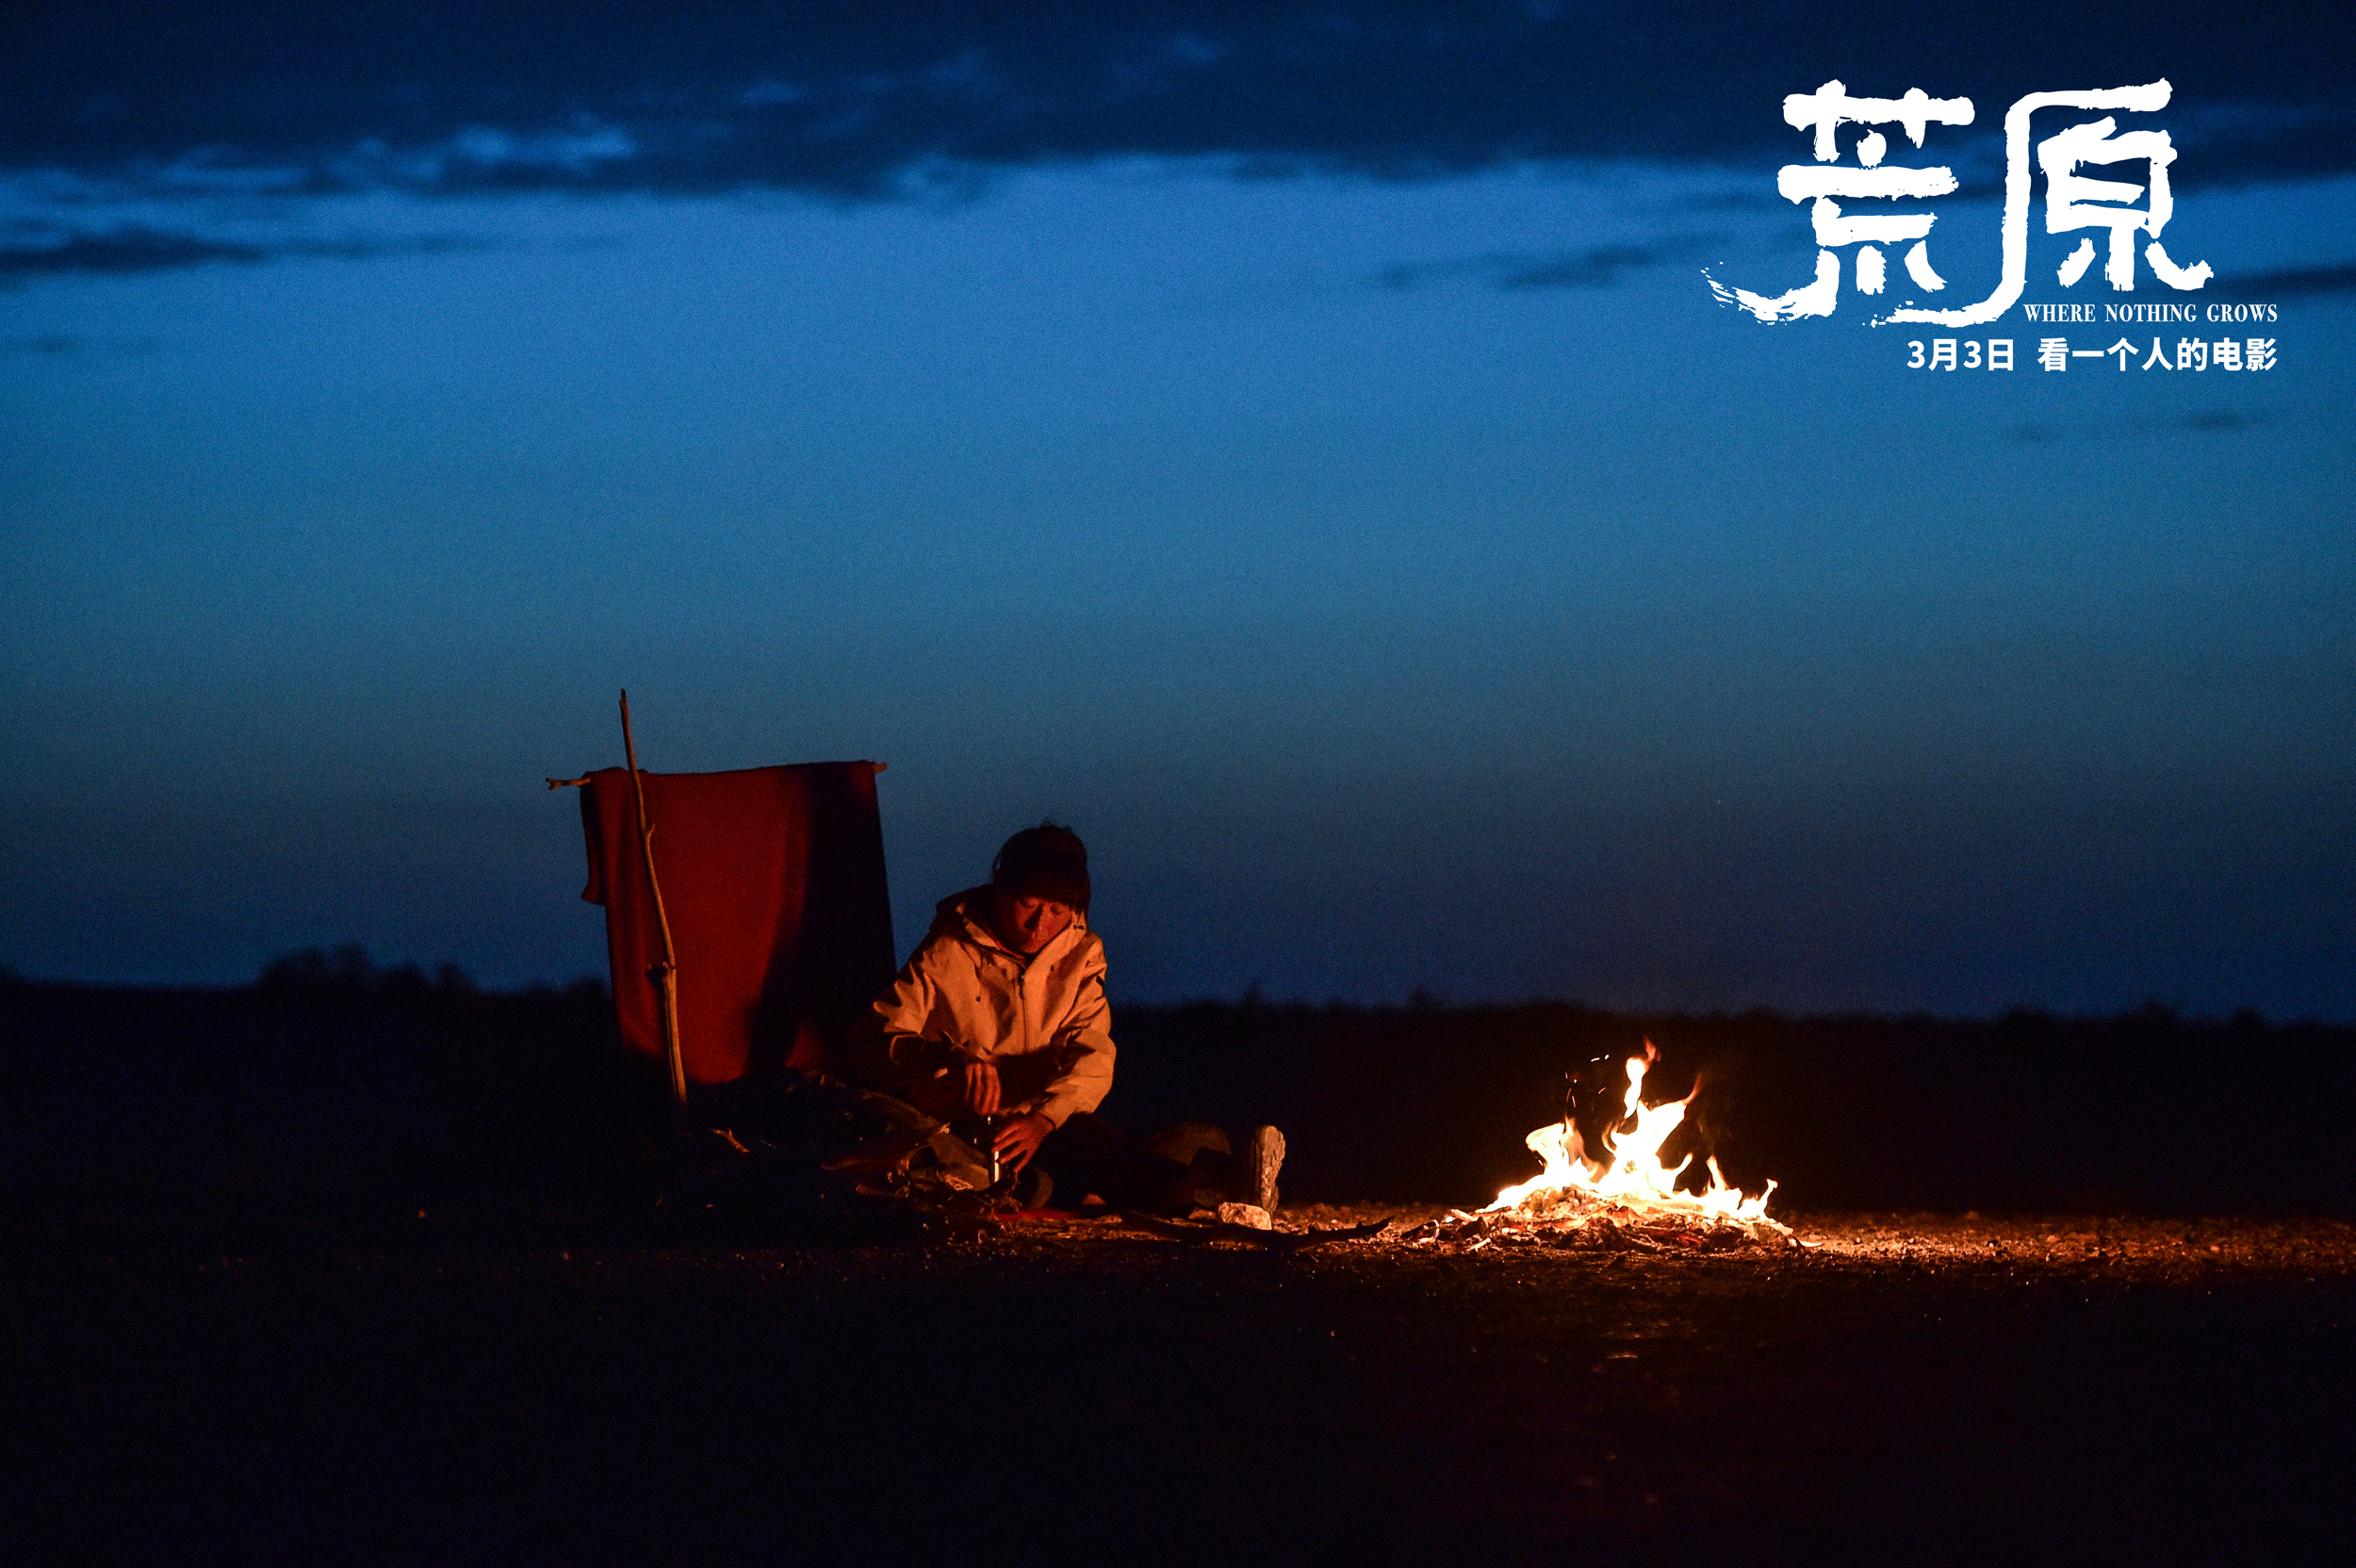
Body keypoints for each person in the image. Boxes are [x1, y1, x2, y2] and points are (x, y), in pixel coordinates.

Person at [854, 822, 1283, 1215]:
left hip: (1043, 1125)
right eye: (1029, 903)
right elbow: (877, 1035)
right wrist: (946, 1058)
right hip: (962, 1124)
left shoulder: (1080, 957)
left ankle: (1213, 1177)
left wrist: (1044, 1119)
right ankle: (1208, 1182)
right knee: (1078, 1163)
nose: (1040, 923)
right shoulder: (946, 952)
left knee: (1097, 1142)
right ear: (1001, 890)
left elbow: (1092, 1052)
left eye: (1057, 910)